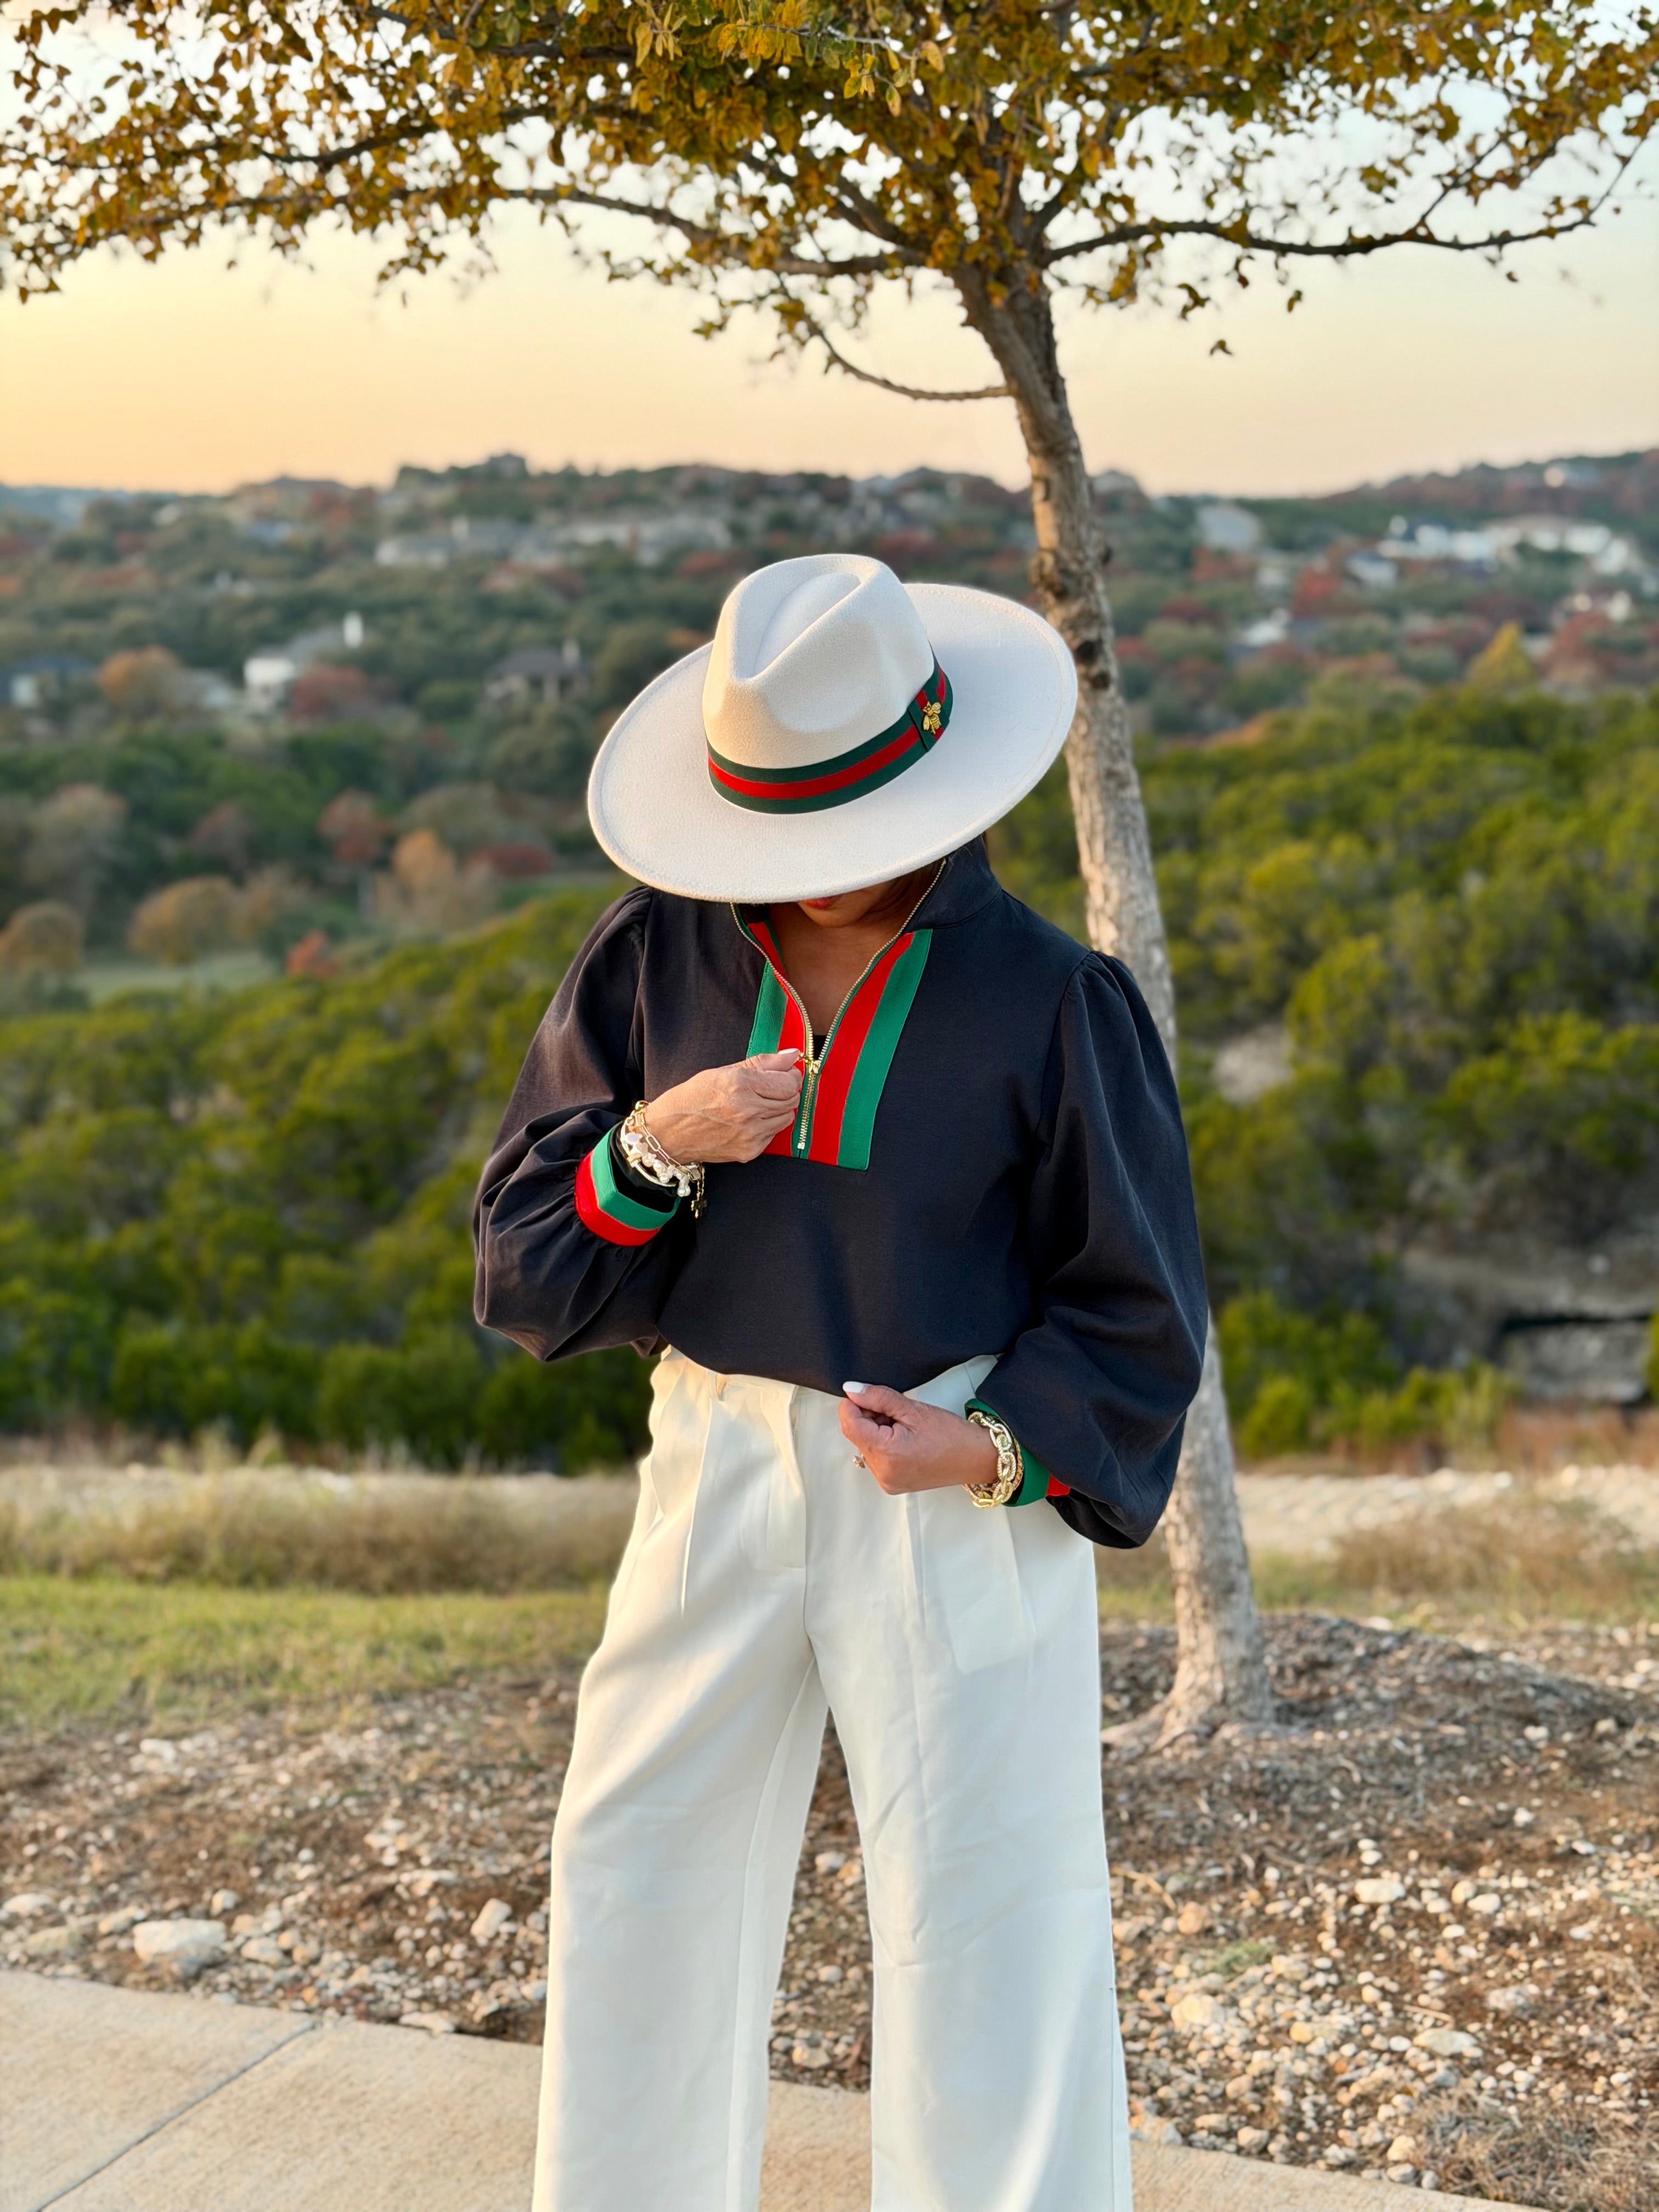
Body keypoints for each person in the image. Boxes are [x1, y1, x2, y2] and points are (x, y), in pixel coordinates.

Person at [473, 552, 1208, 2212]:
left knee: (989, 1908)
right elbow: (521, 1262)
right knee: (637, 1862)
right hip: (711, 1462)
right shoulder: (652, 955)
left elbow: (1141, 1308)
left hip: (950, 1485)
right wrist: (656, 1144)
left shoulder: (1054, 1001)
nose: (808, 870)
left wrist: (992, 1444)